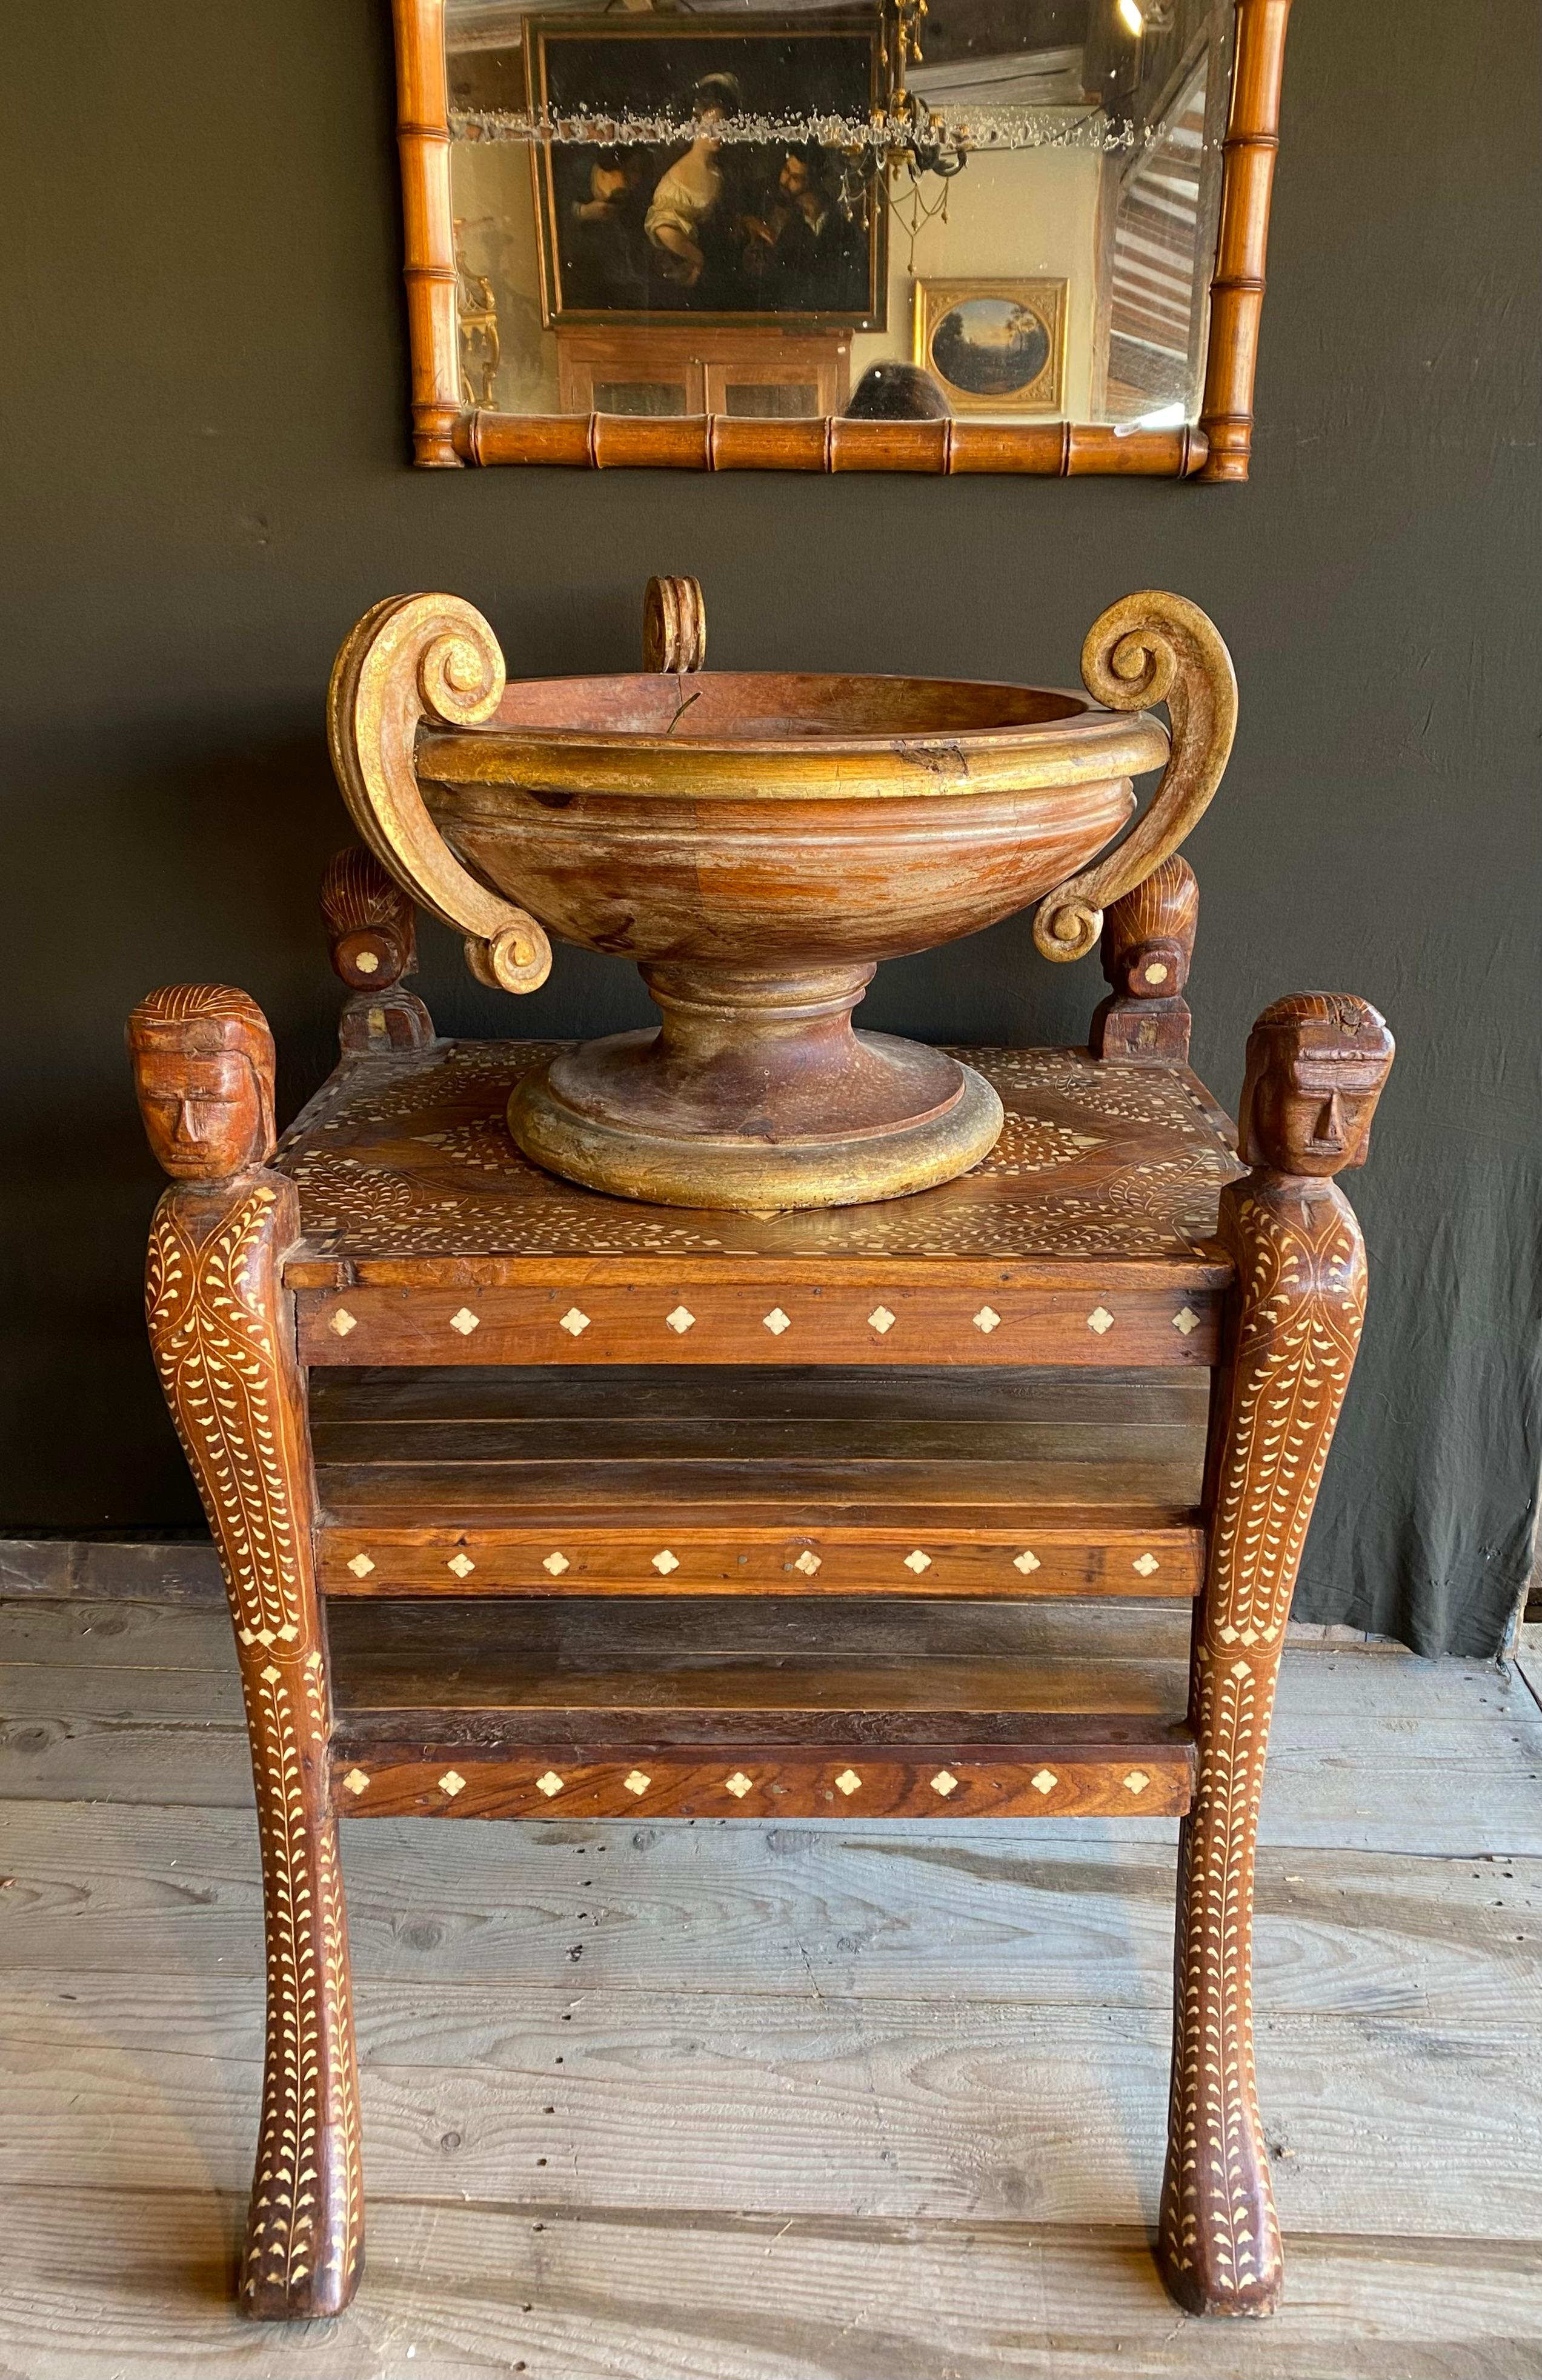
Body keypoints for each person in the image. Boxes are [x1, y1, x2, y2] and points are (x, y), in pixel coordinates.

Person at [644, 72, 740, 293]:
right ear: (697, 125)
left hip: (722, 275)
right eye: (713, 126)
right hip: (695, 283)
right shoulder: (676, 181)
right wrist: (696, 258)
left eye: (724, 127)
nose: (719, 134)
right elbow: (663, 229)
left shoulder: (718, 170)